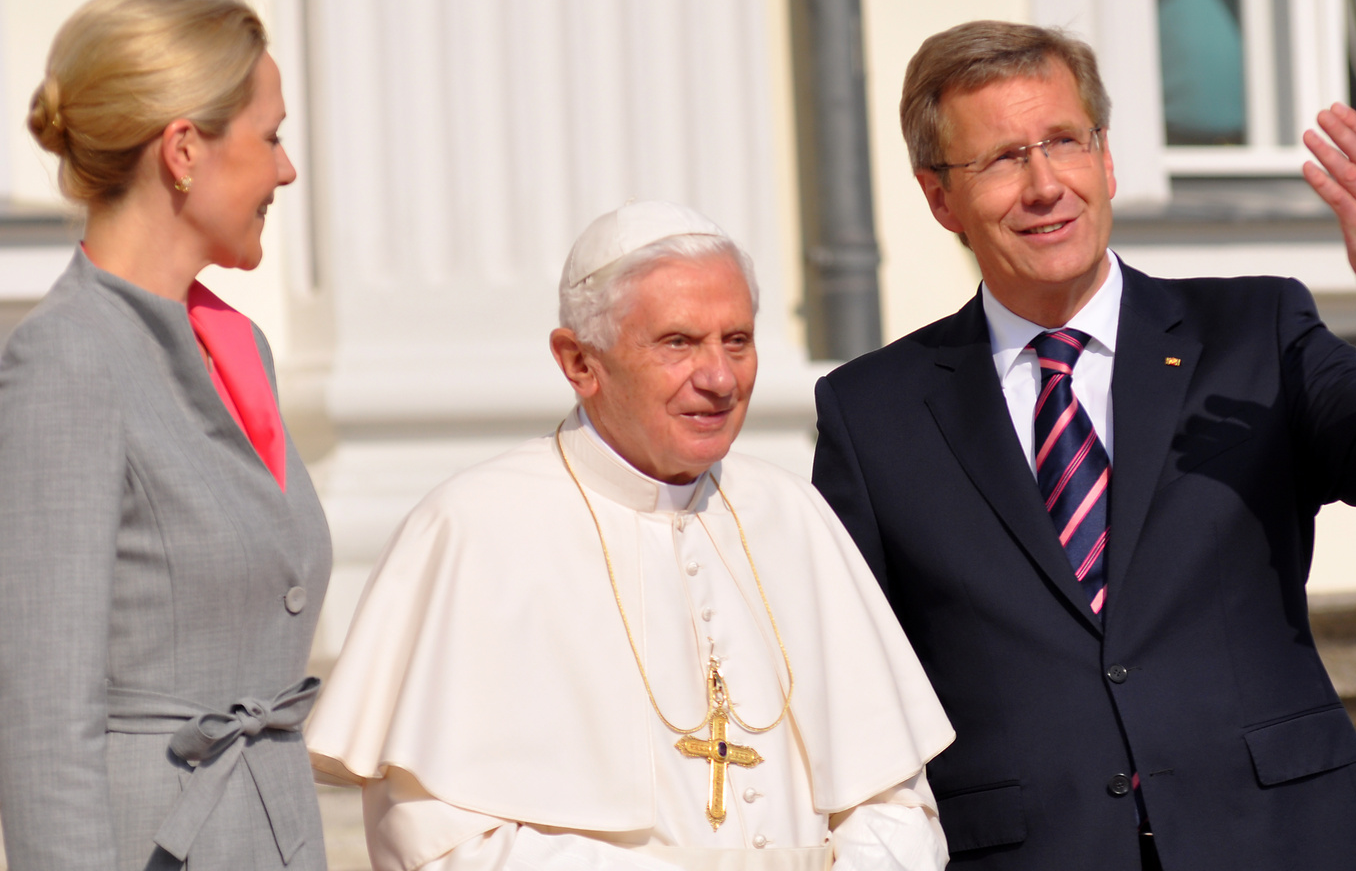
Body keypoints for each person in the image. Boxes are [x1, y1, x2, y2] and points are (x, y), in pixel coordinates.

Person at [810, 21, 1356, 871]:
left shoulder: (1254, 332)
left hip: (1286, 840)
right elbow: (851, 686)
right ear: (938, 197)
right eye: (1001, 159)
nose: (1043, 186)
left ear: (1105, 159)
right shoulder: (871, 411)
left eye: (1064, 142)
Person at [305, 201, 955, 871]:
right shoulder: (469, 532)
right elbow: (440, 846)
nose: (720, 379)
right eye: (678, 343)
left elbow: (898, 805)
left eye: (737, 340)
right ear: (580, 362)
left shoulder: (795, 515)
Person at [0, 0, 332, 871]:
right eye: (270, 136)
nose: (287, 169)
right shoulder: (64, 361)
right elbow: (42, 722)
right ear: (185, 150)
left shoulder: (238, 346)